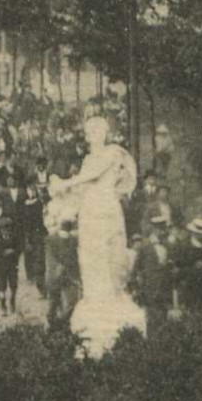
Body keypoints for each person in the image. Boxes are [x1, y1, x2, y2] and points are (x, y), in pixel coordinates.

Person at [48, 114, 145, 356]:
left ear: (103, 133)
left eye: (95, 130)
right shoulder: (89, 158)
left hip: (106, 211)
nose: (91, 135)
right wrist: (63, 196)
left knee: (108, 255)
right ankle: (95, 298)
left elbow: (90, 177)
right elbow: (81, 188)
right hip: (91, 212)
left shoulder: (111, 153)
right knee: (90, 257)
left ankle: (111, 297)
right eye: (89, 131)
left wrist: (64, 183)